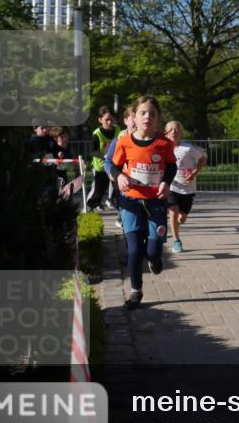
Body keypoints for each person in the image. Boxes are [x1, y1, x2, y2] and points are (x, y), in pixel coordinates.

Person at [109, 95, 177, 309]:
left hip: (155, 202)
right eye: (143, 113)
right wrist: (119, 175)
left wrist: (166, 182)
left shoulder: (164, 143)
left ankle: (155, 260)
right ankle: (135, 291)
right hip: (130, 201)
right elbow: (113, 165)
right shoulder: (125, 141)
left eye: (152, 114)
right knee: (134, 250)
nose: (147, 117)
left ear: (158, 119)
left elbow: (172, 167)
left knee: (153, 250)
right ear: (133, 117)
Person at [164, 121, 207, 254]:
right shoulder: (162, 148)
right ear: (165, 132)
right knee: (173, 210)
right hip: (171, 187)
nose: (173, 132)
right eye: (170, 130)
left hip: (188, 189)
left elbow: (202, 159)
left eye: (176, 130)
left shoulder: (187, 148)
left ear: (181, 133)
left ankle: (176, 223)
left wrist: (195, 172)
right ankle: (176, 240)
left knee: (182, 218)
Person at [87, 107, 118, 210]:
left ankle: (111, 201)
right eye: (106, 120)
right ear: (100, 120)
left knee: (117, 188)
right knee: (98, 191)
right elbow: (92, 151)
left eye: (111, 120)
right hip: (100, 167)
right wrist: (104, 156)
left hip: (114, 165)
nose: (109, 122)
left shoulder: (118, 130)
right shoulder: (97, 134)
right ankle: (88, 208)